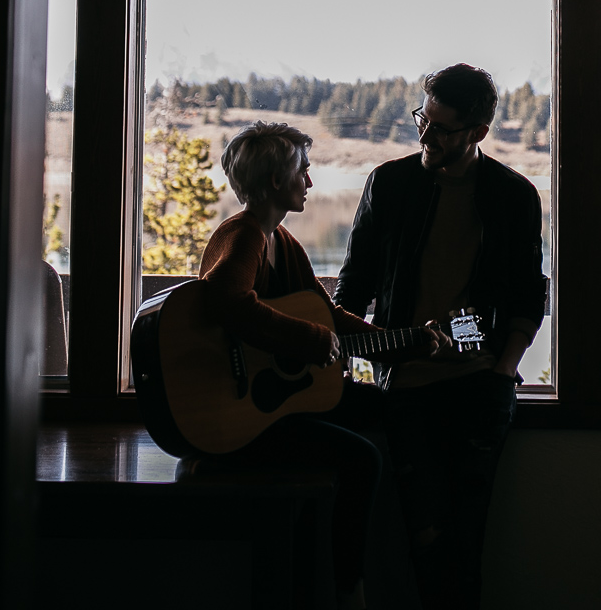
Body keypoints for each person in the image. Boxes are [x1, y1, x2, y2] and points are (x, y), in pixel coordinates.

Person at [197, 121, 438, 610]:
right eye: (303, 171)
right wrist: (308, 340)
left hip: (276, 405)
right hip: (242, 417)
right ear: (274, 183)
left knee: (393, 409)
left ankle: (405, 549)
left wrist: (406, 346)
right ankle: (348, 586)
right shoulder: (244, 236)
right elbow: (226, 299)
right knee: (361, 458)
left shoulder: (280, 240)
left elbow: (329, 319)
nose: (310, 181)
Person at [336, 64, 548, 610]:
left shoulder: (513, 195)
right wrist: (344, 358)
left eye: (442, 128)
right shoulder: (390, 183)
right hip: (406, 387)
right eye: (422, 120)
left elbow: (529, 293)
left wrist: (503, 368)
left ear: (477, 131)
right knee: (424, 541)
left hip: (481, 387)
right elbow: (354, 284)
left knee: (466, 541)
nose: (426, 135)